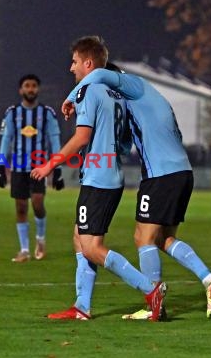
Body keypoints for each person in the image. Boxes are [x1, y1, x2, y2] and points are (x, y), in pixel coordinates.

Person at [62, 63, 211, 320]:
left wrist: (72, 97)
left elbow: (99, 73)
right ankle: (208, 280)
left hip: (161, 175)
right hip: (182, 171)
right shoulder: (146, 101)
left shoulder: (133, 85)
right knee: (162, 239)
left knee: (143, 238)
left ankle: (155, 303)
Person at [31, 36, 166, 321]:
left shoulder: (90, 91)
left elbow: (82, 137)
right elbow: (128, 141)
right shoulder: (118, 96)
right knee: (80, 237)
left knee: (91, 246)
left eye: (75, 62)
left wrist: (49, 164)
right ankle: (82, 306)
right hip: (110, 175)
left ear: (88, 63)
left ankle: (150, 289)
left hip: (99, 179)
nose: (71, 68)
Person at [0, 74, 64, 263]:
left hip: (39, 167)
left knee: (37, 204)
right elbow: (6, 139)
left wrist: (57, 169)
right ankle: (24, 250)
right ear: (21, 90)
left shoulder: (47, 113)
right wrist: (1, 166)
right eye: (27, 86)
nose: (30, 89)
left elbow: (54, 140)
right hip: (18, 168)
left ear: (38, 89)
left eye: (34, 86)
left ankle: (40, 240)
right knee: (20, 207)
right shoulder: (12, 112)